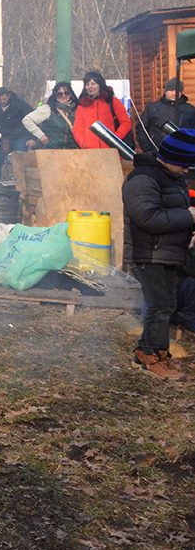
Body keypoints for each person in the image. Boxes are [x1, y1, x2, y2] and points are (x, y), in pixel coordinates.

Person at [124, 127, 195, 380]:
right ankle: (147, 356)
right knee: (158, 307)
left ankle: (159, 352)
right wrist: (188, 216)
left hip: (167, 251)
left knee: (167, 304)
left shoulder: (171, 177)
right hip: (150, 253)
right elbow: (147, 218)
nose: (188, 170)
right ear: (172, 158)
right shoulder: (143, 179)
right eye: (185, 164)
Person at [73, 70, 132, 149]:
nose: (90, 86)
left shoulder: (112, 101)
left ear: (100, 85)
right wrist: (84, 144)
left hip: (110, 150)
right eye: (87, 84)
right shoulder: (82, 106)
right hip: (90, 152)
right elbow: (78, 129)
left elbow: (126, 123)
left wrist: (115, 139)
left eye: (93, 84)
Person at [136, 78, 195, 153]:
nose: (174, 93)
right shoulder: (152, 108)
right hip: (156, 153)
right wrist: (147, 148)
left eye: (178, 91)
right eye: (171, 90)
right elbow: (141, 128)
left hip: (181, 154)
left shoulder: (190, 110)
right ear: (166, 91)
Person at [0, 86, 33, 179]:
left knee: (19, 159)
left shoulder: (20, 105)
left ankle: (20, 181)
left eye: (4, 99)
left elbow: (32, 120)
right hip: (5, 137)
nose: (2, 102)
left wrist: (32, 138)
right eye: (0, 99)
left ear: (8, 96)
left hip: (21, 136)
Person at [23, 82, 78, 149]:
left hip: (72, 152)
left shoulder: (77, 110)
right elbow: (27, 120)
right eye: (60, 94)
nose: (63, 96)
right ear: (55, 95)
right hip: (51, 151)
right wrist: (41, 136)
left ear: (71, 94)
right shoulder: (48, 109)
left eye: (66, 93)